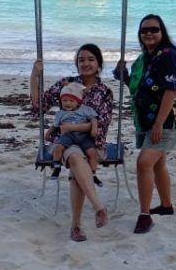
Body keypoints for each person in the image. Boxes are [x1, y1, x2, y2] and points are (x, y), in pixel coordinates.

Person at [30, 44, 114, 242]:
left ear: (99, 63)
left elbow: (100, 126)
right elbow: (39, 106)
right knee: (75, 156)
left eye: (91, 59)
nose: (86, 63)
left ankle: (76, 226)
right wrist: (34, 76)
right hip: (66, 144)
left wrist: (69, 127)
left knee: (78, 164)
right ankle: (98, 207)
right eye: (81, 59)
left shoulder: (104, 92)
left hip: (94, 144)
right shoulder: (66, 84)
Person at [114, 14, 176, 234]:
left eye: (153, 29)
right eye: (144, 30)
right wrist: (123, 76)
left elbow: (171, 91)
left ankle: (144, 215)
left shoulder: (168, 56)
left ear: (162, 31)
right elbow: (139, 88)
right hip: (145, 120)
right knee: (157, 164)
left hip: (164, 121)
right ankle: (166, 206)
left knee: (144, 163)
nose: (149, 34)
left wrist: (159, 124)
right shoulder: (146, 58)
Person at [47, 81, 101, 173]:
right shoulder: (61, 113)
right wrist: (48, 133)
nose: (68, 103)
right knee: (58, 148)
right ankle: (56, 166)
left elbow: (93, 118)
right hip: (68, 135)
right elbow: (55, 125)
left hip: (84, 136)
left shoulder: (85, 109)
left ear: (78, 102)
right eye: (64, 100)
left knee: (92, 153)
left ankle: (93, 173)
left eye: (71, 101)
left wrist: (94, 129)